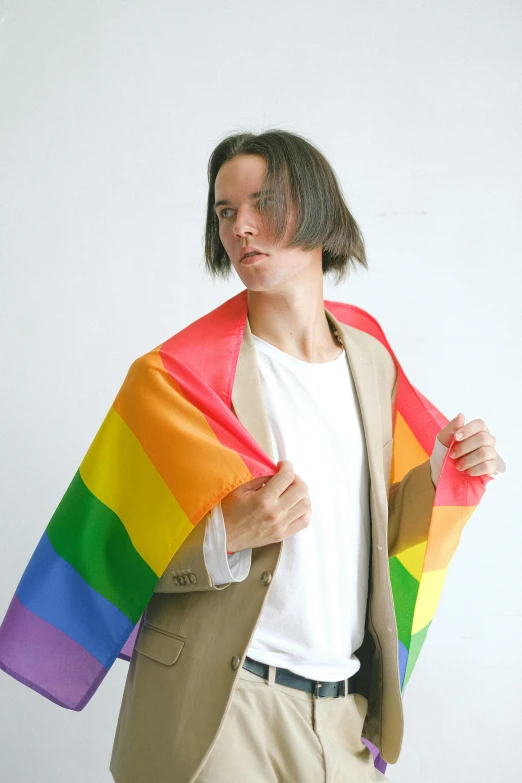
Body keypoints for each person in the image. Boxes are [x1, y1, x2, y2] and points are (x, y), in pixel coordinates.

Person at [109, 129, 505, 783]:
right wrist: (227, 533)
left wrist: (440, 473)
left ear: (318, 208)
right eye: (226, 211)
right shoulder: (180, 376)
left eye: (263, 202)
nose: (242, 226)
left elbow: (371, 537)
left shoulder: (371, 361)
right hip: (220, 711)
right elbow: (114, 549)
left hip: (343, 715)